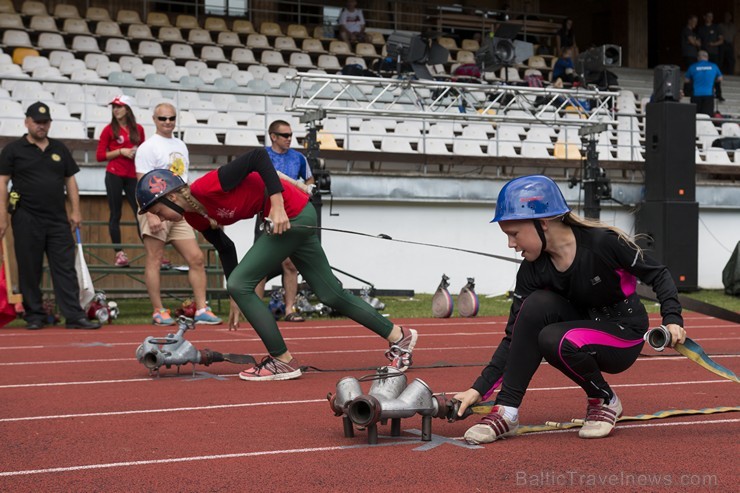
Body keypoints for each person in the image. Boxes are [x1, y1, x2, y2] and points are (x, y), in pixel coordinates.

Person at [134, 149, 418, 381]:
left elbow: (259, 157)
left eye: (157, 210)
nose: (159, 218)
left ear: (171, 196)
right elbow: (225, 247)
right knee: (331, 294)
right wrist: (236, 296)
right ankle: (399, 336)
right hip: (293, 222)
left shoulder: (208, 185)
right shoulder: (194, 217)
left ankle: (281, 359)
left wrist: (277, 205)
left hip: (293, 215)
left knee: (240, 283)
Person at [453, 175, 686, 443]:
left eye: (514, 234)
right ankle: (506, 411)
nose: (511, 244)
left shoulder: (602, 243)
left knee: (554, 339)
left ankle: (604, 400)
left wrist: (672, 319)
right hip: (581, 325)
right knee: (536, 305)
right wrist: (478, 390)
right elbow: (514, 336)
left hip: (624, 331)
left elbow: (658, 274)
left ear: (543, 223)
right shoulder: (532, 270)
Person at [0, 102, 101, 330]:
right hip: (26, 217)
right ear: (27, 122)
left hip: (57, 219)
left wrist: (75, 210)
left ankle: (74, 316)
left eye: (45, 122)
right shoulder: (13, 150)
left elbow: (71, 181)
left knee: (65, 268)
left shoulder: (59, 149)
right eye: (37, 122)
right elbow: (2, 182)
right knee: (29, 268)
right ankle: (34, 315)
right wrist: (2, 216)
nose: (41, 126)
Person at [134, 102, 222, 326]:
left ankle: (201, 308)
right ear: (154, 119)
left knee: (196, 258)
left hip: (179, 208)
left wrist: (201, 209)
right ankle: (158, 310)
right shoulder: (148, 146)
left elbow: (184, 180)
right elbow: (142, 182)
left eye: (171, 118)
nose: (167, 122)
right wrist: (152, 214)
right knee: (154, 259)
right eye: (163, 118)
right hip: (156, 207)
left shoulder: (181, 145)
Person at [254, 120, 314, 322]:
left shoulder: (298, 158)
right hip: (267, 214)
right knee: (260, 264)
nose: (289, 139)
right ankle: (257, 313)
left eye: (291, 135)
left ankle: (290, 309)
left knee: (290, 264)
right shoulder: (261, 156)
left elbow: (309, 181)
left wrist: (305, 191)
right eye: (285, 135)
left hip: (292, 214)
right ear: (273, 136)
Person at [96, 95, 145, 268]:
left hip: (132, 175)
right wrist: (121, 152)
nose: (115, 109)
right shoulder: (108, 130)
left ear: (127, 109)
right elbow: (100, 156)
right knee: (115, 213)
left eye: (119, 106)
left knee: (141, 213)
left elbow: (144, 152)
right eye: (114, 107)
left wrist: (135, 151)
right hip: (114, 174)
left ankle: (153, 252)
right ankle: (119, 254)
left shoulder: (138, 129)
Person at [685, 50, 723, 116]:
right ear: (707, 57)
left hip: (696, 95)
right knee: (707, 117)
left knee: (695, 117)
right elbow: (720, 78)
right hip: (708, 95)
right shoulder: (714, 66)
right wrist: (713, 81)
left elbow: (686, 80)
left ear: (698, 58)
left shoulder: (692, 67)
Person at [718, 12, 735, 76]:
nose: (727, 18)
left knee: (731, 60)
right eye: (726, 16)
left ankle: (731, 74)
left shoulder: (733, 26)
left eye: (728, 16)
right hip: (722, 43)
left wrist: (733, 45)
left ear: (730, 17)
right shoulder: (720, 25)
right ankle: (720, 73)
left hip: (730, 43)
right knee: (721, 59)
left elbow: (734, 37)